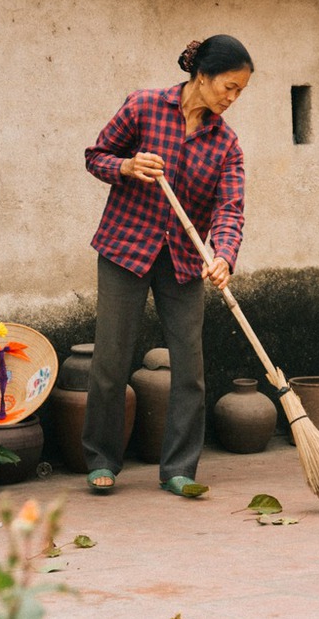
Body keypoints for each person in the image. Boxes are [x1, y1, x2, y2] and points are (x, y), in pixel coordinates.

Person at [80, 34, 253, 496]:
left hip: (183, 261)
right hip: (124, 250)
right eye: (229, 87)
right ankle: (102, 460)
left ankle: (179, 468)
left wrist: (223, 256)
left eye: (240, 92)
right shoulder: (143, 107)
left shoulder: (226, 144)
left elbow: (229, 209)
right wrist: (127, 167)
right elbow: (95, 157)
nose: (232, 98)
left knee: (189, 367)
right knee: (110, 360)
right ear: (202, 75)